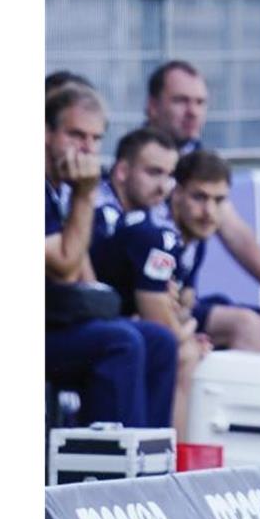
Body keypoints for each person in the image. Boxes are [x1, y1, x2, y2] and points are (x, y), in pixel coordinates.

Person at [144, 60, 260, 350]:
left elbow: (236, 232)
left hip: (187, 301)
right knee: (244, 325)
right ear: (153, 106)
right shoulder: (141, 163)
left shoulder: (196, 155)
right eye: (181, 101)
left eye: (200, 103)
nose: (192, 112)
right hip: (148, 302)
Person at [44, 83, 177, 429]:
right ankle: (112, 475)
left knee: (159, 340)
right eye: (76, 135)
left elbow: (86, 283)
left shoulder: (63, 185)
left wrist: (110, 312)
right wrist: (85, 196)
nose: (87, 149)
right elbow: (64, 267)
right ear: (45, 132)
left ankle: (152, 473)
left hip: (56, 320)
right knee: (120, 342)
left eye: (95, 138)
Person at [89, 127, 208, 437]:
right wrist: (184, 333)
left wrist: (182, 321)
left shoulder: (157, 224)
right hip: (85, 322)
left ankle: (166, 464)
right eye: (154, 172)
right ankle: (168, 470)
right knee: (180, 351)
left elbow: (176, 299)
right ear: (123, 170)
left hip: (123, 320)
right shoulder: (100, 216)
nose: (164, 186)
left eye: (169, 175)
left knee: (176, 343)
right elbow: (159, 312)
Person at [163, 148, 260, 355]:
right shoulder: (159, 235)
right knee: (246, 324)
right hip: (159, 322)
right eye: (199, 197)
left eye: (218, 200)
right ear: (177, 194)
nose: (209, 211)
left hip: (190, 311)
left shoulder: (197, 228)